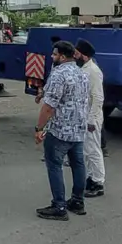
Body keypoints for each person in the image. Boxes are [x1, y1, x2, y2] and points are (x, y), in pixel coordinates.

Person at [34, 40, 90, 220]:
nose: (52, 57)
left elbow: (49, 107)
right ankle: (78, 201)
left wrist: (39, 128)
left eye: (54, 54)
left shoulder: (58, 74)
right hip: (78, 128)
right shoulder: (82, 73)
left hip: (60, 130)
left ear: (63, 57)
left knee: (54, 165)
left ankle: (59, 207)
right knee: (78, 164)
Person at [75, 39, 106, 197]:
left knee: (93, 150)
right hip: (83, 116)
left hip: (91, 118)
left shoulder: (93, 71)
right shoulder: (83, 68)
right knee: (87, 150)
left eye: (77, 53)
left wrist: (92, 120)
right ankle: (91, 178)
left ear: (84, 55)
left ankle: (98, 182)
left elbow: (98, 98)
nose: (74, 55)